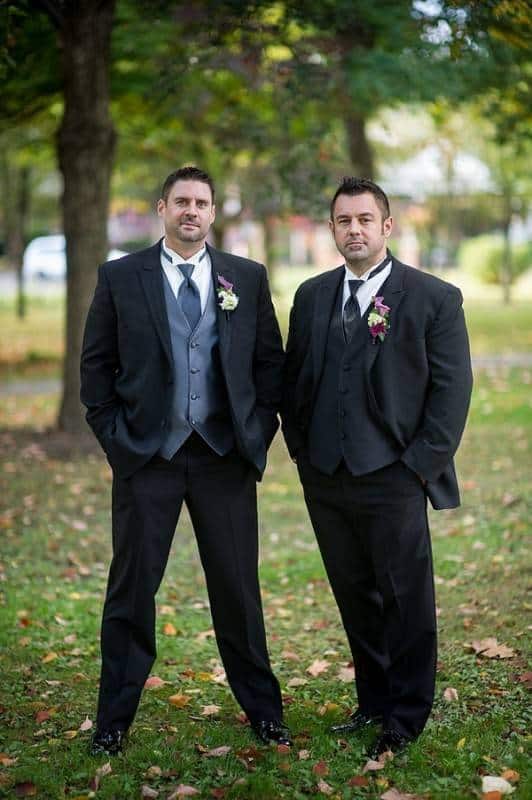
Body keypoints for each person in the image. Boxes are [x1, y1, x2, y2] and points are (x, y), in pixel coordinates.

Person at [81, 166, 291, 755]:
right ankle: (113, 720)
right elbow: (95, 371)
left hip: (224, 459)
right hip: (149, 458)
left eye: (201, 202)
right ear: (162, 208)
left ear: (213, 212)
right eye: (181, 202)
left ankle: (264, 712)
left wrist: (257, 433)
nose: (191, 211)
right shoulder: (121, 278)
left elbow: (269, 367)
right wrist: (119, 443)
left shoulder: (245, 278)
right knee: (131, 590)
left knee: (237, 591)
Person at [282, 177, 473, 758]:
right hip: (326, 476)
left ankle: (407, 714)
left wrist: (418, 467)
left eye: (366, 219)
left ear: (387, 226)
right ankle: (372, 699)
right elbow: (295, 382)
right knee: (354, 593)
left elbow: (451, 391)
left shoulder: (434, 298)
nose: (355, 230)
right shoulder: (312, 296)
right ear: (333, 229)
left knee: (404, 597)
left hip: (395, 474)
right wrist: (301, 453)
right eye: (344, 221)